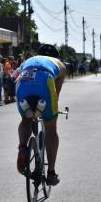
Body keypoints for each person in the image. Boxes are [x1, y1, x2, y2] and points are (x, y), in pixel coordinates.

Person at [15, 44, 66, 186]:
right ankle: (51, 173)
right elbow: (56, 93)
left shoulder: (28, 61)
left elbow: (15, 75)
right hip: (45, 81)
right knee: (50, 128)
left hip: (23, 81)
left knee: (25, 119)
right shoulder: (59, 64)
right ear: (57, 57)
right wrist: (51, 112)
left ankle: (23, 148)